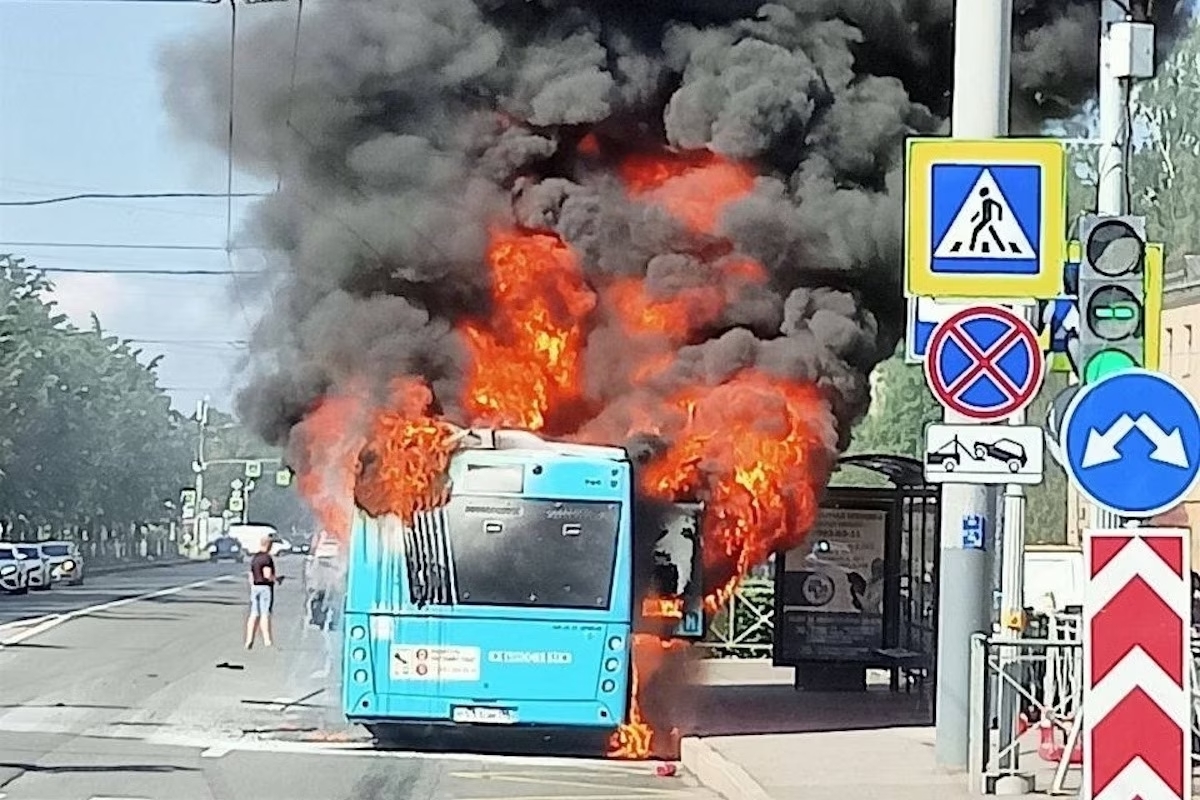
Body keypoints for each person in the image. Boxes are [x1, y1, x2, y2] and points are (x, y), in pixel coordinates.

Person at [246, 535, 278, 649]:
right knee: (265, 614)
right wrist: (276, 579)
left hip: (255, 587)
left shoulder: (255, 558)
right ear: (269, 545)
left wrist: (253, 585)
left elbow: (250, 575)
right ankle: (267, 640)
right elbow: (267, 575)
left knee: (254, 613)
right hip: (265, 588)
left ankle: (249, 639)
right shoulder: (266, 558)